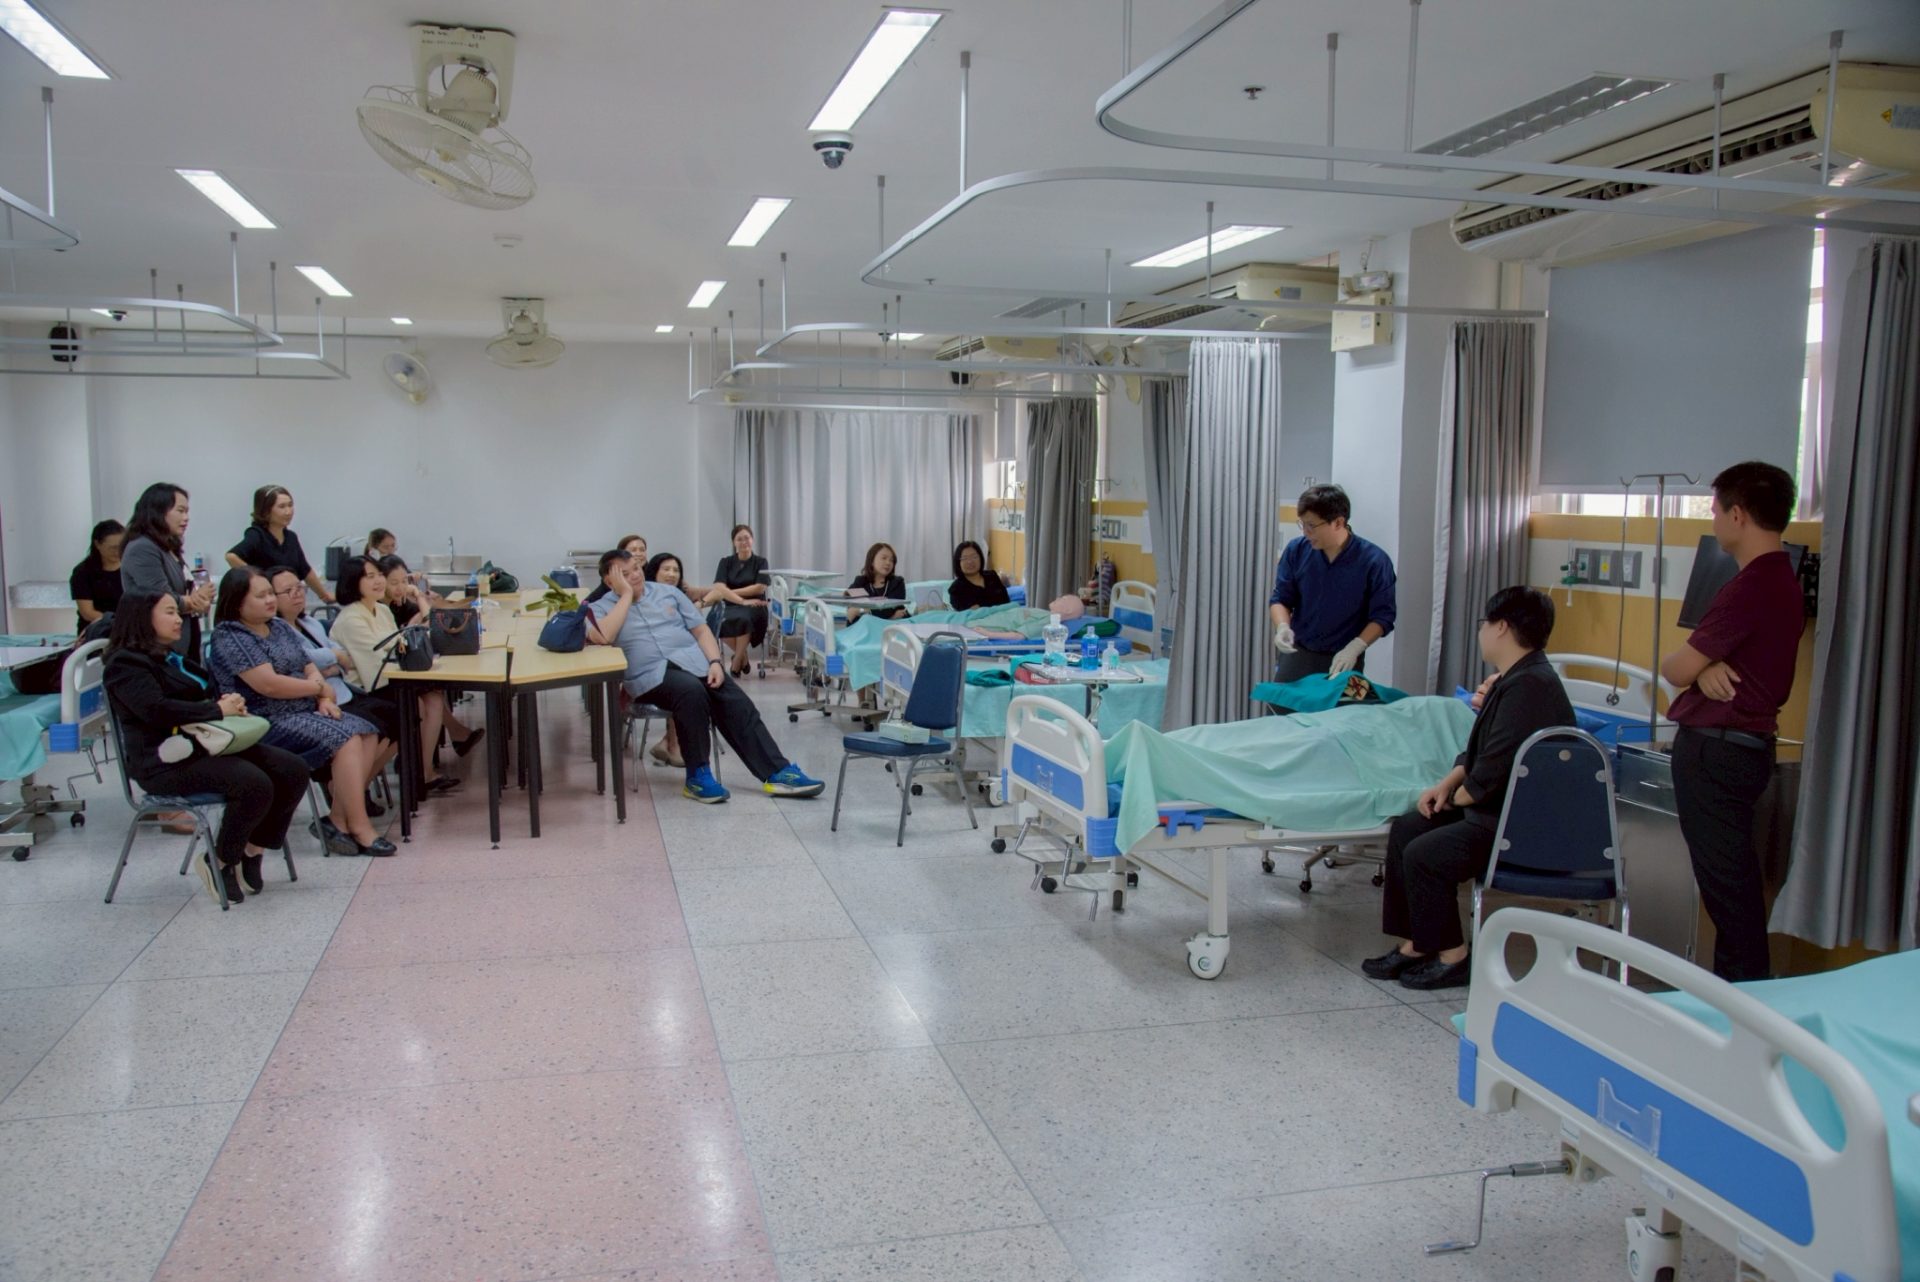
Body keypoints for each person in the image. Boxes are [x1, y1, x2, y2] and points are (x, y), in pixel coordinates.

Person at [1364, 587, 1576, 991]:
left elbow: (1494, 768)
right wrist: (1445, 785)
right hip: (1495, 809)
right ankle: (1417, 943)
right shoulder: (1513, 679)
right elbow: (1479, 749)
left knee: (1426, 852)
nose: (1481, 632)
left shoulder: (1531, 687)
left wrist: (1458, 799)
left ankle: (1453, 956)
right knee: (1408, 827)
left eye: (1484, 624)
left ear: (1502, 627)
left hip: (1516, 825)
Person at [1659, 462, 1805, 984]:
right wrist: (1707, 668)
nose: (1714, 520)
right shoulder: (1780, 581)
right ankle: (1740, 1000)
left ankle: (1742, 1005)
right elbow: (1698, 667)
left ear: (1738, 515)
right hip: (1743, 748)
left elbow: (1675, 668)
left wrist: (1696, 669)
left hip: (1717, 752)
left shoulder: (1751, 586)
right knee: (1733, 889)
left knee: (1730, 893)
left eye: (1716, 510)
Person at [104, 592, 311, 906]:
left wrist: (229, 703)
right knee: (253, 783)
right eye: (170, 612)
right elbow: (156, 710)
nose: (179, 620)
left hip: (205, 745)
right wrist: (216, 710)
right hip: (163, 762)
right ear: (142, 618)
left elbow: (201, 694)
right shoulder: (125, 664)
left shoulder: (168, 656)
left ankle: (252, 850)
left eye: (177, 613)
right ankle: (222, 861)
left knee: (292, 769)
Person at [586, 549, 824, 804]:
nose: (635, 575)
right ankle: (697, 776)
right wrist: (625, 595)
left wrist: (715, 662)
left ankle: (778, 772)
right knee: (691, 691)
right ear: (609, 581)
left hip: (693, 663)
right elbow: (604, 636)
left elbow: (700, 631)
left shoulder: (669, 593)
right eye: (624, 574)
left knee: (733, 699)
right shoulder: (599, 608)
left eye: (636, 568)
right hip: (648, 676)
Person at [208, 567, 397, 856]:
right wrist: (318, 689)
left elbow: (309, 667)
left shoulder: (278, 626)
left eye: (270, 593)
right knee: (347, 739)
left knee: (367, 732)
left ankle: (337, 820)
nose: (270, 600)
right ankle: (361, 827)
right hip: (266, 719)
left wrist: (323, 698)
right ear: (237, 602)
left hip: (304, 708)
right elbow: (268, 685)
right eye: (261, 596)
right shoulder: (232, 636)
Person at [328, 555, 477, 790]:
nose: (379, 581)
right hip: (363, 689)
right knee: (414, 707)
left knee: (434, 698)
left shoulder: (381, 610)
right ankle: (358, 787)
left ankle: (424, 773)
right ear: (353, 582)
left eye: (379, 575)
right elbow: (375, 667)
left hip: (390, 679)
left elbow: (399, 647)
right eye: (370, 577)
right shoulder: (351, 619)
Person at [1269, 484, 1397, 693]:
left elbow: (1383, 617)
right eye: (1302, 524)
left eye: (1312, 525)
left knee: (1345, 712)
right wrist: (1283, 627)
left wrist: (1356, 647)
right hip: (1298, 653)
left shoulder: (1374, 561)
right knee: (1280, 708)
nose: (1306, 532)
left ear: (1338, 522)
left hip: (1345, 660)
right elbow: (1281, 599)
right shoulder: (1296, 550)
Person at [120, 482, 214, 656]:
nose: (186, 518)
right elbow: (162, 599)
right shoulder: (142, 548)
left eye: (187, 512)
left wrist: (198, 596)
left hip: (184, 636)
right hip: (156, 644)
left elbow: (182, 591)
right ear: (158, 511)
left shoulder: (168, 547)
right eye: (180, 511)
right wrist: (195, 601)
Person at [224, 485, 335, 604]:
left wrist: (324, 595)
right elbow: (231, 556)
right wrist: (260, 583)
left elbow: (305, 570)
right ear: (266, 511)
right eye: (282, 507)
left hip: (289, 604)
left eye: (290, 505)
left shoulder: (291, 537)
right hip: (268, 605)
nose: (288, 512)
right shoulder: (257, 535)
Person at [640, 552, 690, 766]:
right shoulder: (643, 599)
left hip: (675, 661)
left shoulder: (680, 597)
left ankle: (667, 742)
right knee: (684, 680)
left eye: (676, 570)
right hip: (650, 667)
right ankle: (674, 744)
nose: (672, 574)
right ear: (654, 573)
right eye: (666, 569)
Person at [702, 524, 769, 676]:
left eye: (747, 538)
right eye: (739, 539)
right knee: (719, 620)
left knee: (744, 619)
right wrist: (731, 596)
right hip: (728, 604)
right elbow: (719, 585)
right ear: (734, 542)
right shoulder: (725, 562)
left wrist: (728, 592)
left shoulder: (761, 562)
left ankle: (736, 661)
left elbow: (759, 588)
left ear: (752, 540)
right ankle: (742, 657)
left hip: (754, 604)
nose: (744, 542)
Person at [70, 519, 126, 632]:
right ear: (97, 544)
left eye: (122, 546)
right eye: (113, 548)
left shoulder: (132, 567)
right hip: (97, 629)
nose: (118, 551)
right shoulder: (82, 572)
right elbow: (87, 612)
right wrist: (117, 622)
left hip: (129, 627)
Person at [845, 542, 908, 622]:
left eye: (891, 560)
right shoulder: (860, 581)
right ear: (872, 561)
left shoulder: (897, 582)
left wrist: (863, 610)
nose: (888, 563)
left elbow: (891, 608)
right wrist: (890, 618)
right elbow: (851, 610)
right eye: (884, 558)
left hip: (896, 626)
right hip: (867, 626)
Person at [585, 534, 648, 606]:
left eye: (642, 550)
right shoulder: (611, 581)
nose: (639, 554)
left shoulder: (651, 571)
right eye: (633, 550)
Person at [948, 540, 1010, 611]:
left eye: (974, 557)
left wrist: (980, 606)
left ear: (980, 558)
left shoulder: (992, 575)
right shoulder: (956, 589)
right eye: (965, 558)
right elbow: (965, 614)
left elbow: (1006, 601)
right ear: (958, 563)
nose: (970, 561)